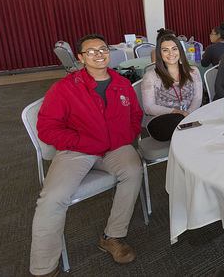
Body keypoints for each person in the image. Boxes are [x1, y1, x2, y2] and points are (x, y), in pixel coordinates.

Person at [30, 34, 143, 276]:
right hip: (77, 150)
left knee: (134, 171)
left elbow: (135, 116)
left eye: (103, 49)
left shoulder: (121, 84)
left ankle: (111, 236)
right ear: (81, 57)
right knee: (52, 198)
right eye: (91, 52)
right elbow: (48, 128)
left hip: (114, 148)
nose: (99, 54)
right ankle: (43, 267)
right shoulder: (64, 88)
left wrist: (125, 136)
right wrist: (79, 142)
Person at [142, 34, 202, 141]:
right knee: (180, 122)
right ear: (160, 53)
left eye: (174, 49)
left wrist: (189, 115)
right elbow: (148, 107)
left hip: (189, 115)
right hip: (161, 120)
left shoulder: (193, 72)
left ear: (180, 51)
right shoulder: (150, 76)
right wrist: (175, 112)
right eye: (165, 50)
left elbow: (197, 98)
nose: (171, 53)